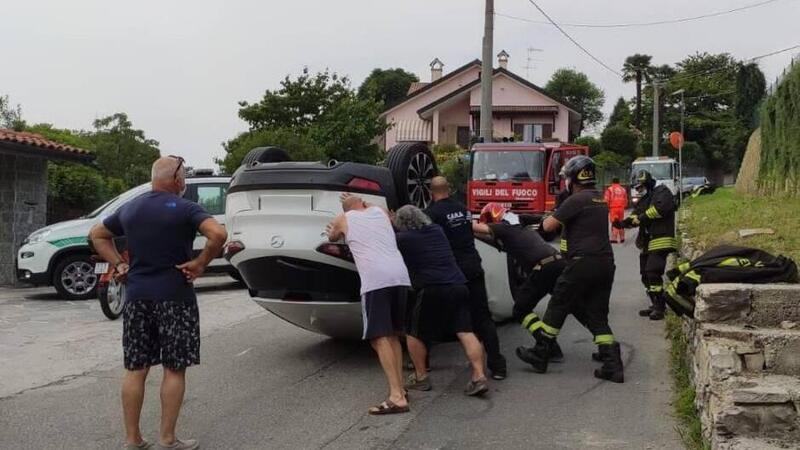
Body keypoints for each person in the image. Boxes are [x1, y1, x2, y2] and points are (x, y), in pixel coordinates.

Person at [89, 156, 228, 450]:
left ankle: (132, 440)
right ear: (177, 179)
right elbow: (218, 234)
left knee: (136, 367)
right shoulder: (187, 208)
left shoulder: (130, 207)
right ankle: (167, 439)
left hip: (137, 297)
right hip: (175, 296)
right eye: (185, 176)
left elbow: (97, 234)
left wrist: (119, 264)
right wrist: (201, 263)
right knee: (174, 369)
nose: (186, 181)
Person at [517, 155, 624, 383]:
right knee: (596, 313)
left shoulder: (576, 200)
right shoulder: (598, 198)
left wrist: (533, 220)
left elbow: (548, 226)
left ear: (574, 177)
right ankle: (612, 362)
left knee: (558, 303)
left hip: (581, 262)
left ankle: (541, 352)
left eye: (567, 177)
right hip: (605, 263)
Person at [326, 195, 412, 414]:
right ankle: (400, 389)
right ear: (363, 203)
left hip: (376, 281)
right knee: (392, 334)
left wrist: (334, 227)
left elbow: (333, 237)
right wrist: (365, 203)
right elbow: (383, 211)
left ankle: (396, 397)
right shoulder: (380, 212)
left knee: (379, 337)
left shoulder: (343, 218)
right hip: (400, 276)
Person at [393, 205, 489, 396]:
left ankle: (421, 377)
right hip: (458, 284)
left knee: (414, 332)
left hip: (431, 287)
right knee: (466, 331)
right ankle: (479, 377)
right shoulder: (437, 230)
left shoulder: (403, 239)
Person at [424, 176, 507, 380]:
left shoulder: (431, 213)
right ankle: (498, 366)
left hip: (450, 272)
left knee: (431, 315)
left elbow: (425, 240)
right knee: (483, 318)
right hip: (473, 267)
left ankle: (421, 364)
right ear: (449, 188)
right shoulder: (463, 209)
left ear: (430, 192)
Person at [471, 202, 567, 362]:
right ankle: (607, 348)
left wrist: (459, 221)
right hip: (558, 262)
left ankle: (547, 346)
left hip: (544, 267)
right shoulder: (517, 223)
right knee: (573, 305)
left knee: (521, 310)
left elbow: (476, 229)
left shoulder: (502, 228)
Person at [613, 170, 677, 321]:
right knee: (645, 274)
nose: (639, 190)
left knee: (653, 272)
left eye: (640, 186)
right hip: (648, 241)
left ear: (647, 182)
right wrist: (622, 224)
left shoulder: (662, 192)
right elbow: (636, 215)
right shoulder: (646, 198)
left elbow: (660, 209)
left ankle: (660, 307)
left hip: (661, 238)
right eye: (637, 187)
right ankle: (654, 304)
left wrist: (641, 218)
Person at [605, 177, 628, 243]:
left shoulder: (610, 189)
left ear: (612, 182)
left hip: (613, 208)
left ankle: (614, 238)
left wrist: (606, 207)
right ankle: (622, 237)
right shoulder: (623, 189)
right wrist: (624, 206)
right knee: (620, 222)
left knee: (615, 222)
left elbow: (606, 199)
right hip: (621, 208)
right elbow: (626, 199)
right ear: (619, 182)